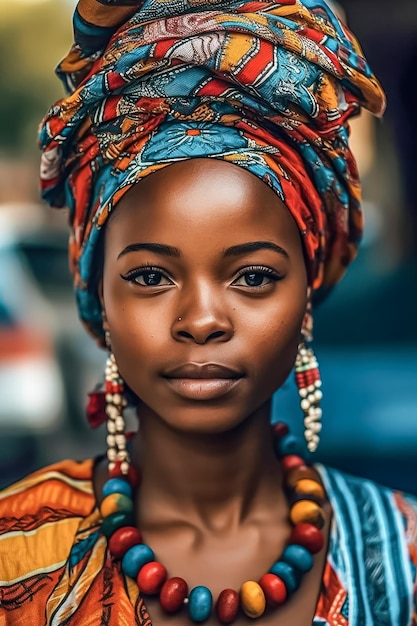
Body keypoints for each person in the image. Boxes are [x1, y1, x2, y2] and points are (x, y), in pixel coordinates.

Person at [0, 0, 416, 624]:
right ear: (97, 294)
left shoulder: (405, 560)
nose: (200, 319)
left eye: (252, 277)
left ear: (307, 296)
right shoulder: (15, 554)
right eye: (150, 276)